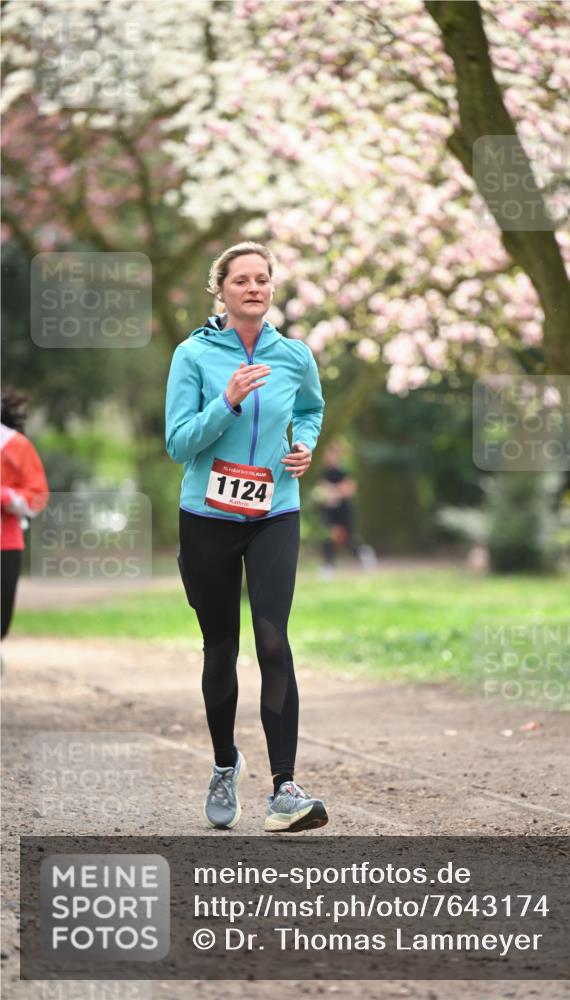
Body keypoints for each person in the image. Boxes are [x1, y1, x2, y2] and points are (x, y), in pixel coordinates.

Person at [165, 241, 328, 833]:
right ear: (221, 289)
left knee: (274, 642)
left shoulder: (294, 355)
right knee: (220, 650)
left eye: (263, 279)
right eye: (242, 280)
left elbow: (311, 408)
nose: (254, 288)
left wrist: (304, 444)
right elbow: (178, 443)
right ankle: (224, 765)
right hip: (207, 517)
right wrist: (227, 403)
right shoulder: (193, 356)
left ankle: (285, 787)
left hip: (275, 513)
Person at [1, 388, 49, 642]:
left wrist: (7, 497)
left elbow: (38, 494)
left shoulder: (14, 445)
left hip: (6, 540)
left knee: (2, 614)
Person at [316, 440, 376, 575]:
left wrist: (333, 492)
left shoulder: (343, 471)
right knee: (328, 537)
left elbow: (349, 489)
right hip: (330, 511)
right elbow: (321, 489)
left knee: (348, 539)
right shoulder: (324, 472)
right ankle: (328, 566)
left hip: (343, 510)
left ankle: (364, 552)